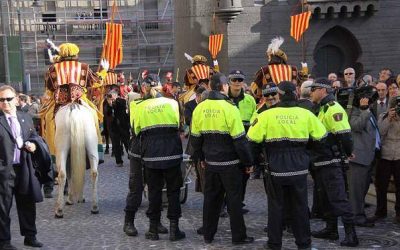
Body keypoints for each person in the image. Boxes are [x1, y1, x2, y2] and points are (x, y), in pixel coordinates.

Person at [247, 81, 327, 250]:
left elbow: (252, 142)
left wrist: (253, 163)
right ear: (296, 94)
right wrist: (308, 155)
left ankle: (274, 243)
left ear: (280, 95)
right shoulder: (306, 114)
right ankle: (304, 243)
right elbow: (322, 139)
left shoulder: (266, 115)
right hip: (299, 167)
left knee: (275, 207)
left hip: (275, 167)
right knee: (300, 206)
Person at [190, 73, 254, 245]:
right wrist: (248, 162)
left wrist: (201, 158)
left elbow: (195, 139)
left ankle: (208, 234)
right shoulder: (230, 108)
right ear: (224, 86)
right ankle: (238, 236)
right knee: (234, 200)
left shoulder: (199, 108)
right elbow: (240, 140)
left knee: (210, 200)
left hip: (210, 163)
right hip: (230, 164)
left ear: (211, 87)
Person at [131, 76, 185, 241]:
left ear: (146, 88)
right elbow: (178, 124)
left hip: (151, 155)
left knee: (154, 192)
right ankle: (174, 230)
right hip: (172, 153)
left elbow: (136, 130)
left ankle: (153, 229)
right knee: (173, 191)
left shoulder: (140, 106)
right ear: (162, 88)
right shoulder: (173, 103)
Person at [309, 78, 359, 247]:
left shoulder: (333, 109)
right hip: (322, 161)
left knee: (338, 198)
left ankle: (351, 234)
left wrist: (348, 152)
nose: (311, 92)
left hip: (331, 161)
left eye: (314, 89)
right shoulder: (322, 108)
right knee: (326, 198)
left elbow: (344, 134)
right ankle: (331, 229)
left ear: (323, 90)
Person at [0, 85, 43, 249]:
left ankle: (30, 236)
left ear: (17, 100)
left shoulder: (25, 117)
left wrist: (33, 144)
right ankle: (4, 241)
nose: (5, 103)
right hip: (5, 170)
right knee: (3, 206)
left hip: (24, 167)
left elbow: (34, 136)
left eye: (8, 99)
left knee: (27, 203)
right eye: (1, 100)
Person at [348, 86, 378, 227]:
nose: (371, 100)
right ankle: (356, 217)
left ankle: (360, 214)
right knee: (356, 191)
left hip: (367, 157)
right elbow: (356, 126)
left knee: (362, 190)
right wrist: (364, 109)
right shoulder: (354, 111)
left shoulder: (368, 111)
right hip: (358, 159)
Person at [228, 69, 256, 212]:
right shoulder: (224, 99)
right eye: (234, 80)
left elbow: (254, 118)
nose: (237, 83)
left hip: (244, 141)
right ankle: (225, 204)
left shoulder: (250, 100)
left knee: (244, 175)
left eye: (240, 80)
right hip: (228, 143)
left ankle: (239, 202)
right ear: (229, 81)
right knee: (228, 176)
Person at [373, 97, 400, 224]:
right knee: (381, 185)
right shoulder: (383, 116)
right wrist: (389, 118)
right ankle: (380, 211)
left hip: (399, 155)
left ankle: (399, 213)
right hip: (385, 155)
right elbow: (380, 132)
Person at [106, 91, 130, 167]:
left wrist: (114, 101)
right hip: (114, 127)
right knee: (116, 145)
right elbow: (108, 113)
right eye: (110, 97)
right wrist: (110, 105)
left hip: (123, 126)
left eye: (112, 96)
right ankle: (119, 161)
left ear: (116, 95)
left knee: (127, 143)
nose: (111, 98)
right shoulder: (108, 103)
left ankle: (131, 157)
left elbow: (121, 107)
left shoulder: (121, 101)